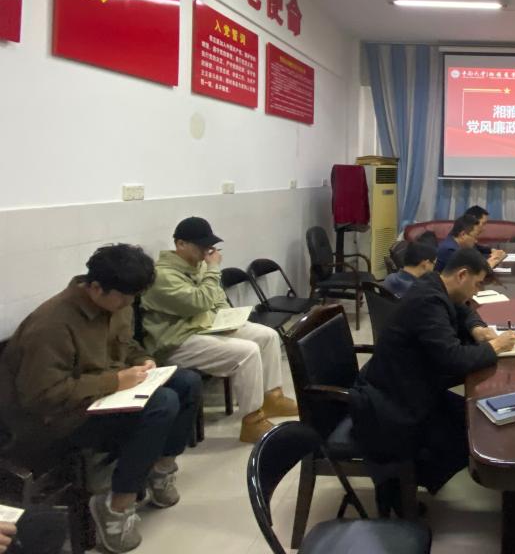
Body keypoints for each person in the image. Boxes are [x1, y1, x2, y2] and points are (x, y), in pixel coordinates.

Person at [0, 244, 202, 554]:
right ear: (95, 287)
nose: (129, 304)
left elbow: (127, 346)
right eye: (124, 297)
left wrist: (144, 360)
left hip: (103, 397)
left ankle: (161, 470)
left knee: (187, 382)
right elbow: (42, 396)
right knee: (163, 404)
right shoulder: (51, 325)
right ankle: (117, 506)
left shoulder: (117, 303)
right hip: (57, 420)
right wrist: (115, 381)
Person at [351, 248, 515, 512]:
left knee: (476, 418)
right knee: (471, 432)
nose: (476, 292)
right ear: (462, 275)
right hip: (392, 402)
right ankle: (399, 490)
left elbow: (463, 309)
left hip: (407, 385)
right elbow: (453, 359)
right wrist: (495, 346)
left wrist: (476, 328)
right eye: (476, 284)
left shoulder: (434, 284)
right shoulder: (428, 301)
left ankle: (407, 483)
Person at [141, 217, 298, 444]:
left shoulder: (197, 266)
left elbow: (216, 298)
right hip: (176, 340)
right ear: (180, 244)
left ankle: (272, 398)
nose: (207, 251)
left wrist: (229, 319)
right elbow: (199, 301)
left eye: (209, 246)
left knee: (267, 336)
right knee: (247, 352)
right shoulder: (162, 276)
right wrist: (214, 268)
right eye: (201, 246)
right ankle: (252, 421)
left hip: (204, 327)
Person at [435, 215, 504, 272]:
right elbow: (472, 273)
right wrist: (493, 260)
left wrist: (493, 256)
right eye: (475, 236)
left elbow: (476, 258)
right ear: (463, 234)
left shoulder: (457, 243)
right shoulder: (450, 250)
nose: (476, 241)